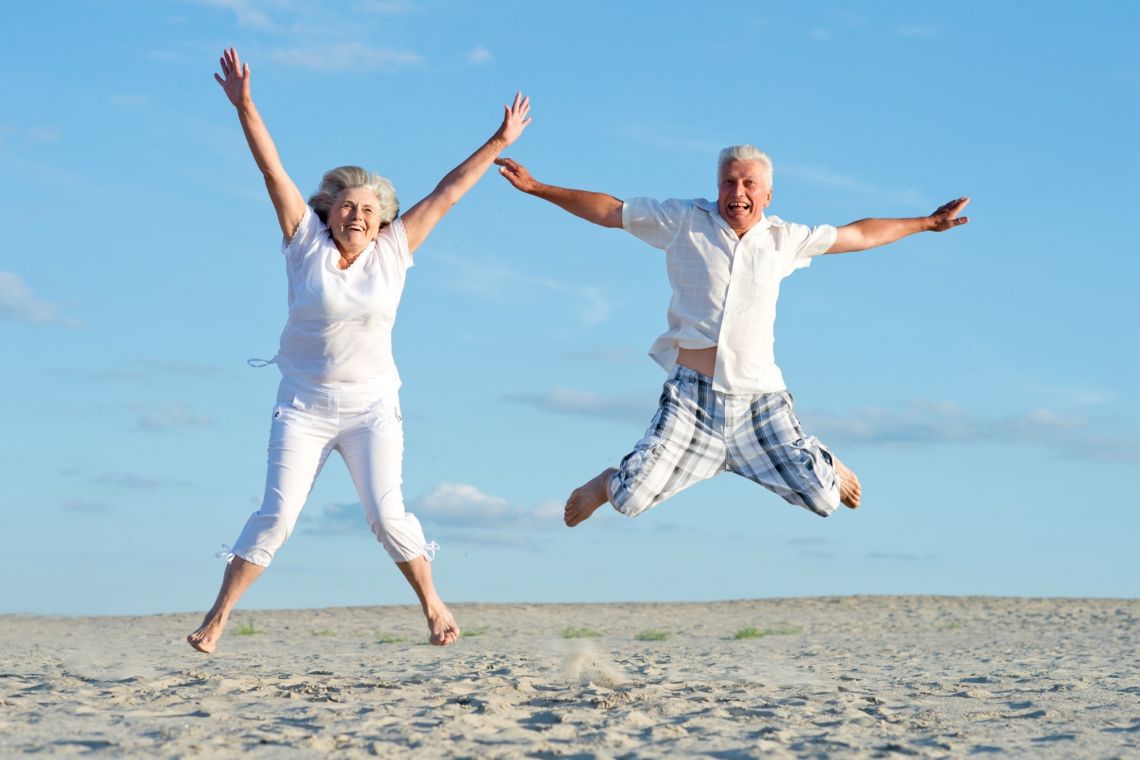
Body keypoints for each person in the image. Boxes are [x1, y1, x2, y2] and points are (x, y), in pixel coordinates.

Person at [187, 48, 530, 653]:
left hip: (372, 406)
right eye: (347, 205)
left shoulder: (395, 250)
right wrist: (245, 106)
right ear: (329, 211)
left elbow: (448, 193)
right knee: (278, 515)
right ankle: (217, 617)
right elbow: (273, 173)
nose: (357, 214)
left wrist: (499, 140)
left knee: (388, 515)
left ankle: (432, 604)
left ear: (382, 220)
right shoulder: (303, 244)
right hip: (303, 404)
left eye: (369, 209)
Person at [495, 146, 967, 528]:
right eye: (728, 182)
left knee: (825, 500)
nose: (736, 191)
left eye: (748, 184)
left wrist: (926, 223)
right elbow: (610, 211)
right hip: (693, 403)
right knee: (628, 498)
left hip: (760, 403)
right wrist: (538, 188)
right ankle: (605, 482)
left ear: (767, 195)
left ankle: (822, 458)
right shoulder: (683, 220)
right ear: (717, 187)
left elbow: (859, 234)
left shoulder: (787, 238)